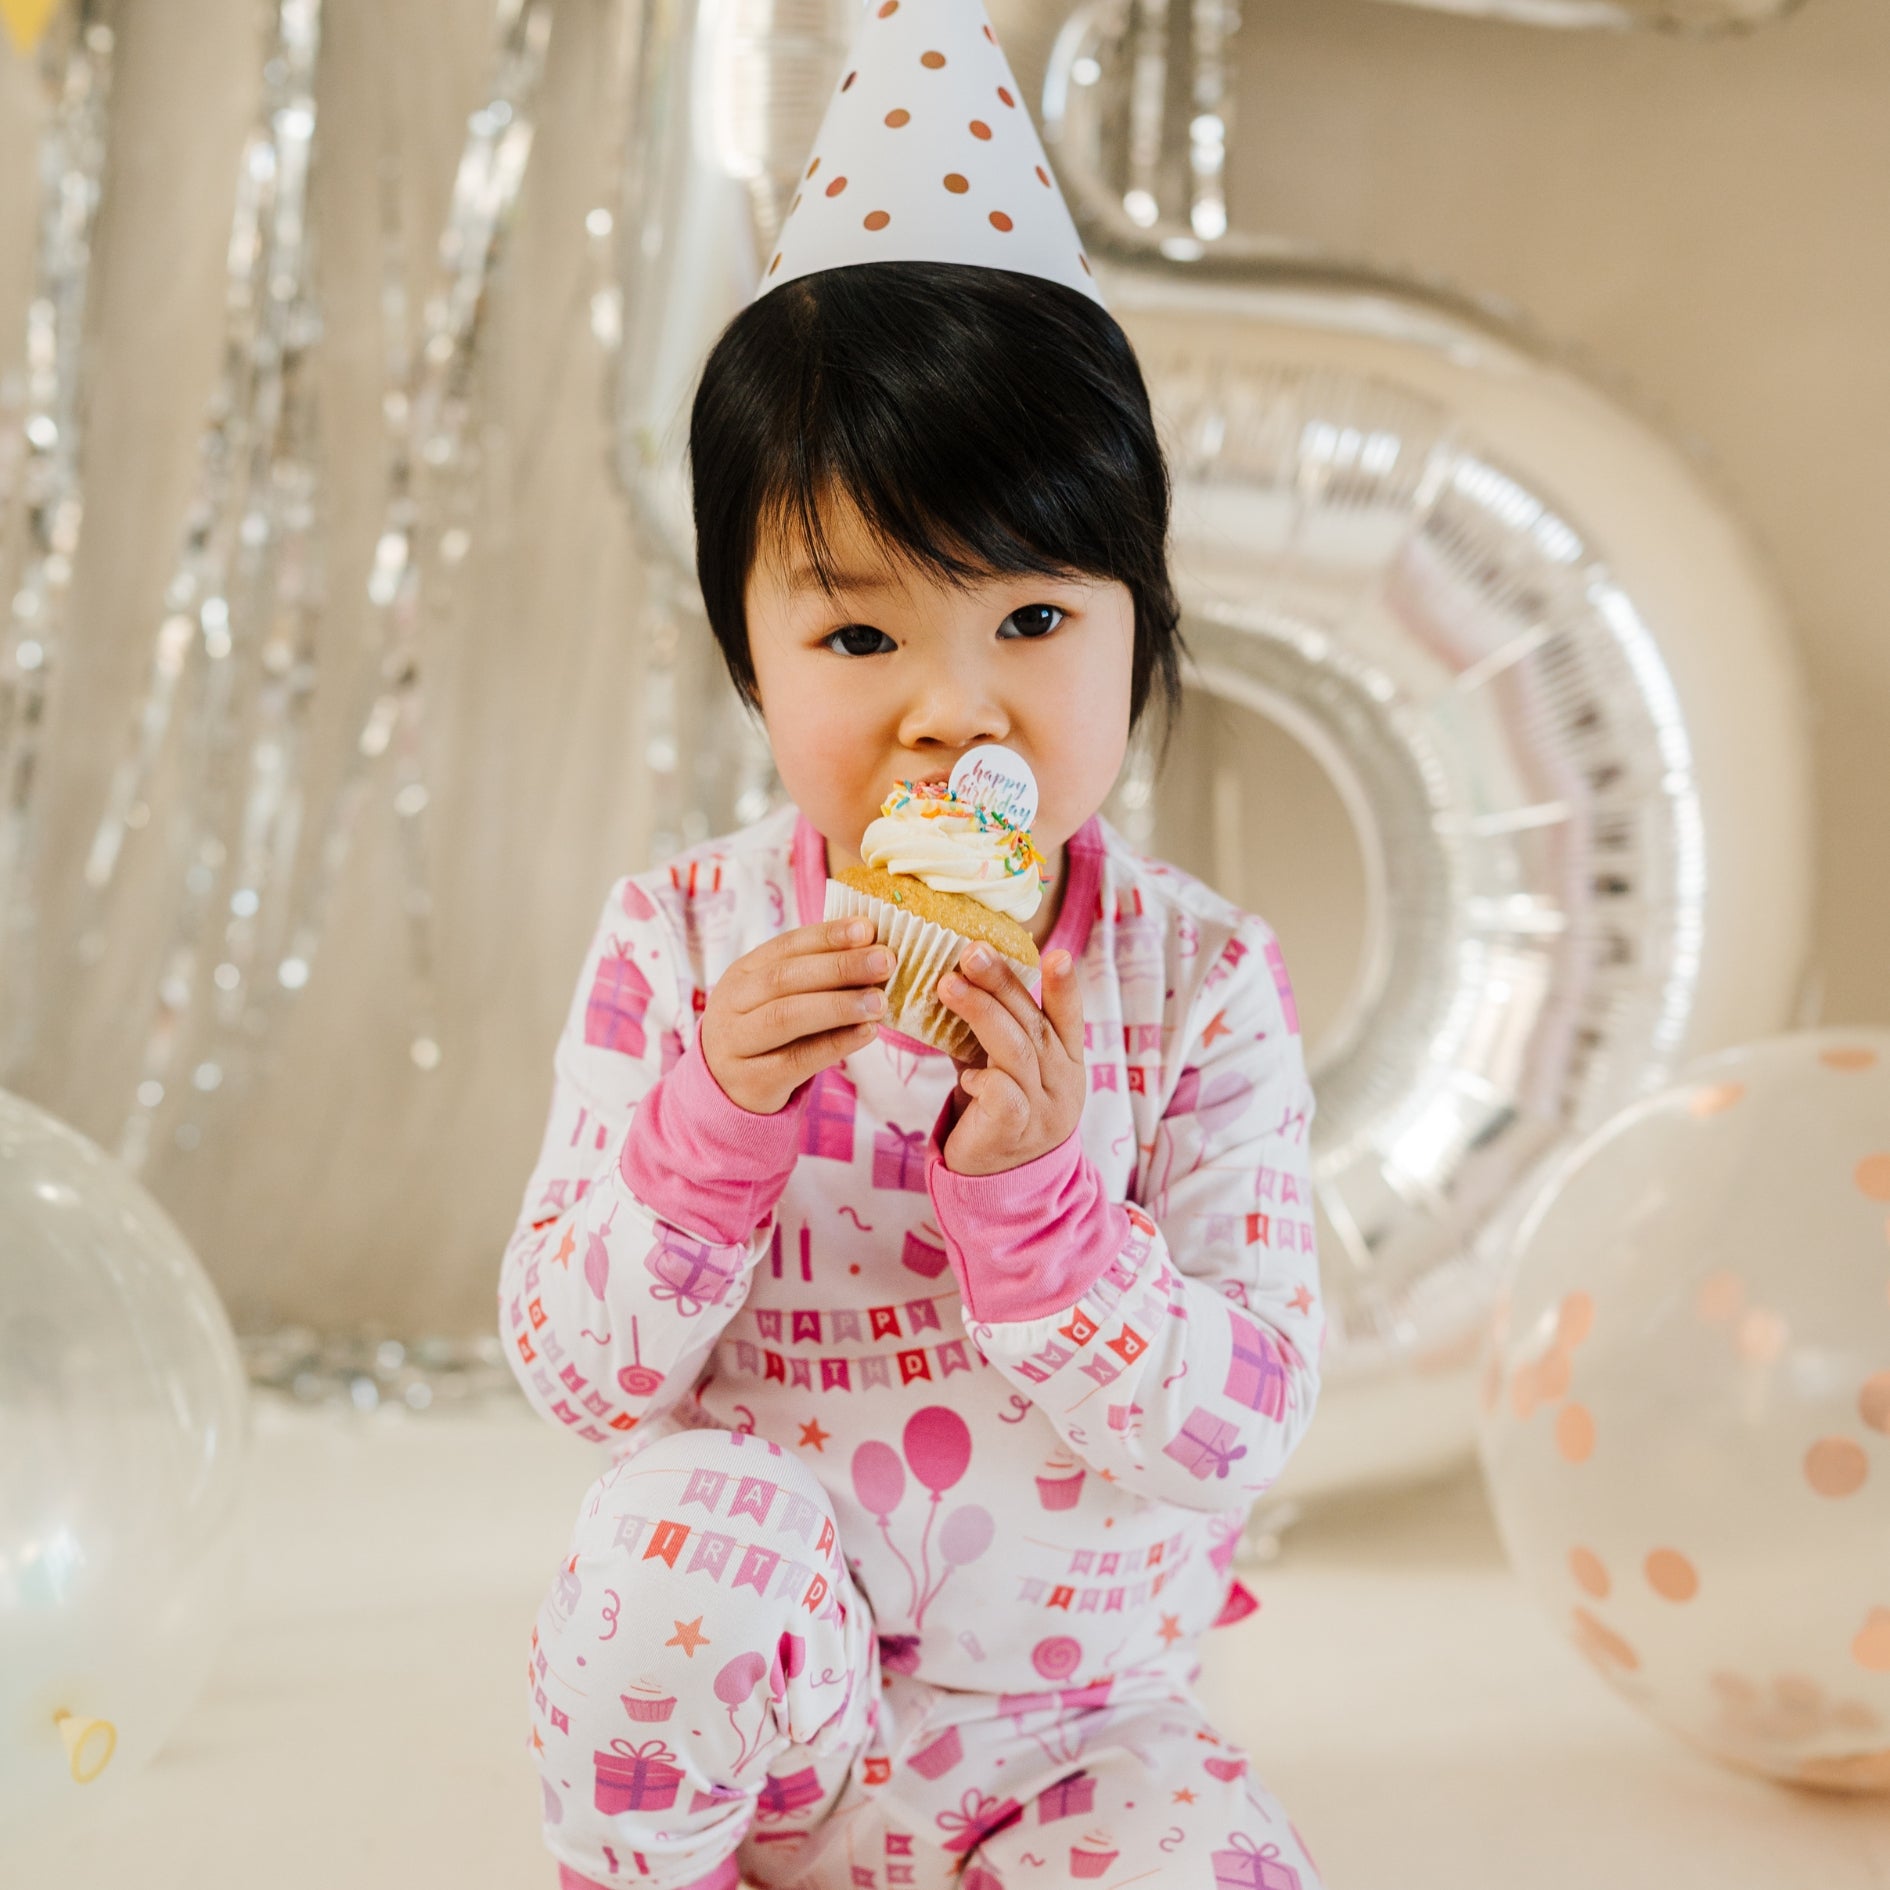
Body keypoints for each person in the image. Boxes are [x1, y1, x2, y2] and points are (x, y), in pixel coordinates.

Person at [499, 5, 1325, 1886]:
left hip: (1075, 1729)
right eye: (860, 636)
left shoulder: (1196, 986)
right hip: (763, 1732)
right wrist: (708, 1127)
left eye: (1031, 619)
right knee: (661, 1549)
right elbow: (578, 1376)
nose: (953, 711)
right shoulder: (678, 941)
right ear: (749, 654)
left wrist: (1046, 1211)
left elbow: (1241, 1431)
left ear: (1139, 620)